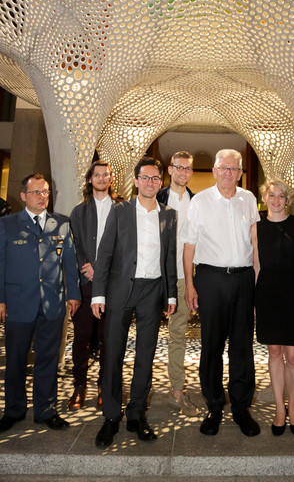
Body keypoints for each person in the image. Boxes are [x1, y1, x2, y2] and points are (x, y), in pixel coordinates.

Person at [91, 156, 177, 449]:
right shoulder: (120, 211)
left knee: (145, 356)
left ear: (160, 182)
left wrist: (171, 294)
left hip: (152, 292)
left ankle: (136, 415)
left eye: (156, 178)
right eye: (146, 177)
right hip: (119, 291)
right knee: (113, 354)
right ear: (136, 180)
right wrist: (98, 294)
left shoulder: (169, 215)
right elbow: (104, 254)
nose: (151, 182)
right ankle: (111, 417)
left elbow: (169, 257)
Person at [183, 149, 260, 437]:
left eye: (234, 169)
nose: (229, 173)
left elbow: (254, 243)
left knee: (242, 347)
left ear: (240, 173)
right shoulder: (200, 201)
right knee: (211, 346)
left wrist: (257, 284)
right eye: (223, 168)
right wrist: (190, 284)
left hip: (243, 280)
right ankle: (214, 406)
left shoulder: (249, 199)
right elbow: (189, 245)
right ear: (214, 171)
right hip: (211, 279)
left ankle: (241, 407)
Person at [0, 174, 81, 433]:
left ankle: (45, 410)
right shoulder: (7, 225)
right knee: (15, 360)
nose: (42, 196)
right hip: (18, 304)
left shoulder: (61, 223)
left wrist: (74, 294)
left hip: (52, 305)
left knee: (47, 359)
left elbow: (70, 262)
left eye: (45, 192)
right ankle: (14, 409)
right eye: (35, 192)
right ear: (23, 195)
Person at [255, 179, 294, 436]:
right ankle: (279, 408)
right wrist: (255, 301)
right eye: (271, 195)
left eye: (281, 196)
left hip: (293, 294)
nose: (276, 200)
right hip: (267, 293)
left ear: (287, 199)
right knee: (274, 352)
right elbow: (256, 266)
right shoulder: (256, 228)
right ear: (265, 198)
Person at [68, 160, 117, 410]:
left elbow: (125, 245)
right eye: (96, 175)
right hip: (86, 282)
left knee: (109, 338)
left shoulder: (122, 209)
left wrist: (102, 269)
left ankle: (103, 386)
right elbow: (74, 246)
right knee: (82, 338)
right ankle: (80, 386)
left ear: (110, 179)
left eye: (105, 174)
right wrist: (87, 265)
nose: (101, 178)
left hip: (111, 285)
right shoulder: (79, 211)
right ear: (90, 179)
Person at [157, 151, 199, 417]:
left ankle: (176, 392)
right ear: (170, 170)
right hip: (155, 276)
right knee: (146, 335)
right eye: (179, 168)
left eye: (188, 169)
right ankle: (140, 392)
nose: (183, 172)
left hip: (185, 277)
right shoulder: (156, 197)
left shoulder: (197, 202)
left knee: (177, 334)